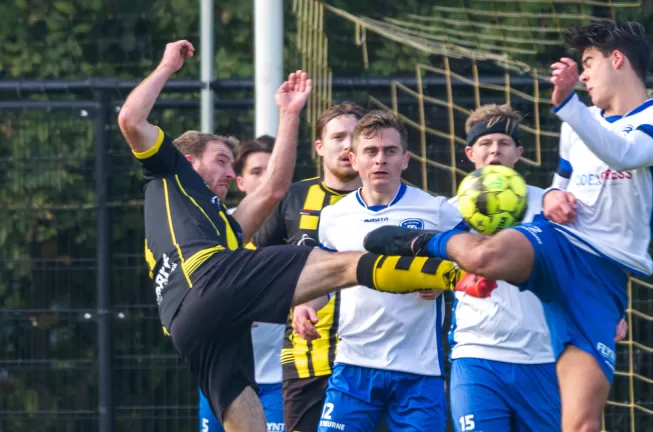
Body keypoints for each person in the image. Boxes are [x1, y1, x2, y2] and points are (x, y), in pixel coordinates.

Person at [118, 40, 467, 432]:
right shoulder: (170, 172)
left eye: (232, 166)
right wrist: (167, 65)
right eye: (220, 161)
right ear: (188, 161)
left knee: (241, 410)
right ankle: (457, 277)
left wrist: (288, 115)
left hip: (184, 321)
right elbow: (131, 119)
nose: (231, 175)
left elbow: (272, 191)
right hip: (205, 277)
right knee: (344, 264)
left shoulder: (215, 221)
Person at [363, 20, 653, 432]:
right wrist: (553, 195)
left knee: (582, 424)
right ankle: (423, 242)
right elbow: (561, 187)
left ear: (617, 59)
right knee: (484, 255)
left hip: (600, 277)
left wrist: (568, 105)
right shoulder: (577, 122)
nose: (583, 75)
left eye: (588, 63)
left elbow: (624, 154)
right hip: (560, 244)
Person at [447, 103, 628, 432]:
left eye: (503, 144)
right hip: (477, 354)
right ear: (470, 153)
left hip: (544, 357)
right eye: (486, 145)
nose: (494, 151)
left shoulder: (550, 204)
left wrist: (611, 310)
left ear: (518, 152)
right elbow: (427, 269)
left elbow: (586, 265)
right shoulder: (449, 212)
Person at [295, 110, 465, 432]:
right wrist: (306, 306)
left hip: (419, 370)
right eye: (370, 152)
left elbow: (472, 256)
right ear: (354, 159)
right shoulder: (333, 217)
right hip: (354, 367)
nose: (380, 160)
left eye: (390, 151)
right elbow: (325, 281)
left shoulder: (436, 209)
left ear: (405, 159)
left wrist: (443, 280)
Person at [251, 102, 366, 432]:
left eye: (354, 136)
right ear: (319, 146)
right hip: (305, 361)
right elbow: (256, 261)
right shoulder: (292, 198)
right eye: (338, 136)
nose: (346, 145)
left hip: (374, 360)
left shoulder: (389, 200)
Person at [198, 136, 286, 432]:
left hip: (280, 377)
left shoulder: (300, 228)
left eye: (272, 169)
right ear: (240, 181)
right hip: (220, 373)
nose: (265, 179)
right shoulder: (216, 227)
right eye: (256, 172)